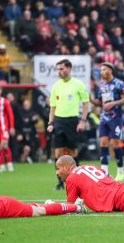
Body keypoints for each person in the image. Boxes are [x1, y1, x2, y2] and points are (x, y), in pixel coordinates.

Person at [47, 59, 89, 190]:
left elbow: (86, 102)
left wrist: (82, 121)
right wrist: (50, 123)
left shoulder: (78, 84)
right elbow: (52, 107)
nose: (59, 72)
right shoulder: (55, 86)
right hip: (58, 121)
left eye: (61, 69)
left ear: (69, 68)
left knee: (72, 152)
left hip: (72, 121)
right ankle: (60, 182)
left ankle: (76, 180)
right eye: (57, 69)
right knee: (58, 152)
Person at [90, 62, 124, 181]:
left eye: (103, 70)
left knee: (115, 144)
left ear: (110, 71)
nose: (101, 72)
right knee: (103, 143)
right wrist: (90, 99)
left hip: (115, 118)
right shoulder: (102, 86)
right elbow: (99, 102)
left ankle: (120, 171)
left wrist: (113, 103)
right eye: (100, 70)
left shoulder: (119, 83)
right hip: (103, 118)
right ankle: (104, 172)